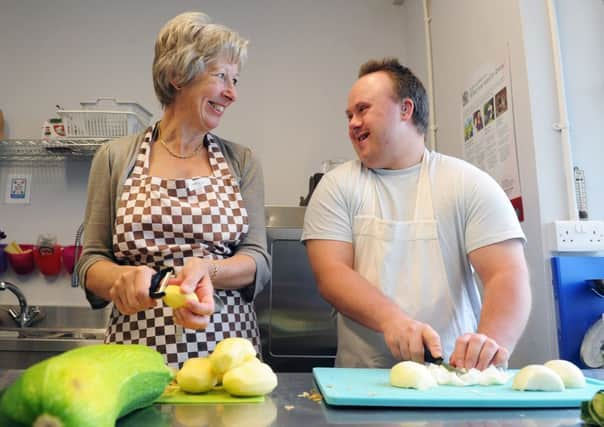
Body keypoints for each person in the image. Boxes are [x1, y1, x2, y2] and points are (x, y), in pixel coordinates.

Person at [302, 58, 531, 370]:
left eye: (363, 109)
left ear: (405, 110)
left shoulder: (467, 183)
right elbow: (332, 275)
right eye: (349, 115)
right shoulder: (336, 186)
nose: (353, 123)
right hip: (363, 379)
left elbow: (506, 274)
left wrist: (489, 344)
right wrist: (393, 320)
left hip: (456, 374)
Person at [75, 11, 270, 368]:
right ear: (178, 75)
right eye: (221, 76)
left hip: (226, 356)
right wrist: (121, 277)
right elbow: (90, 262)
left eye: (235, 79)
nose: (232, 93)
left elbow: (258, 260)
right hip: (134, 358)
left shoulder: (242, 161)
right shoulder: (115, 157)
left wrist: (208, 269)